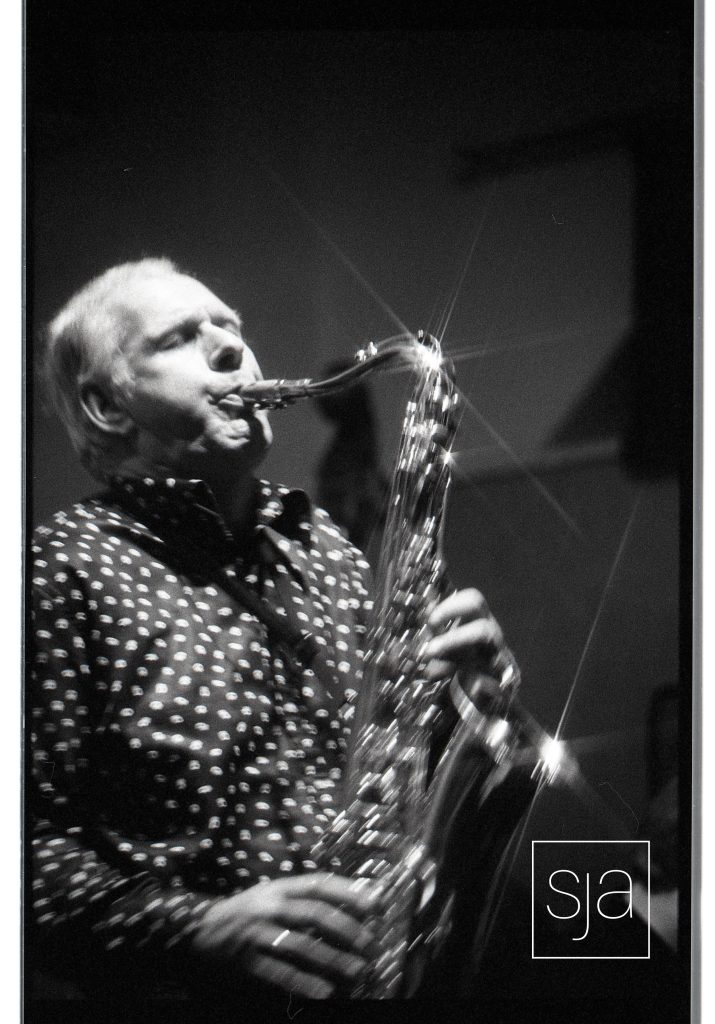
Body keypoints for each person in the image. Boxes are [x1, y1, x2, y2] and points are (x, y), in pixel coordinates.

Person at [30, 258, 514, 1005]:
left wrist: (465, 696)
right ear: (105, 406)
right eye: (180, 338)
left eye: (231, 327)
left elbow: (395, 760)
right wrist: (195, 928)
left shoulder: (324, 547)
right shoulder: (57, 570)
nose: (232, 347)